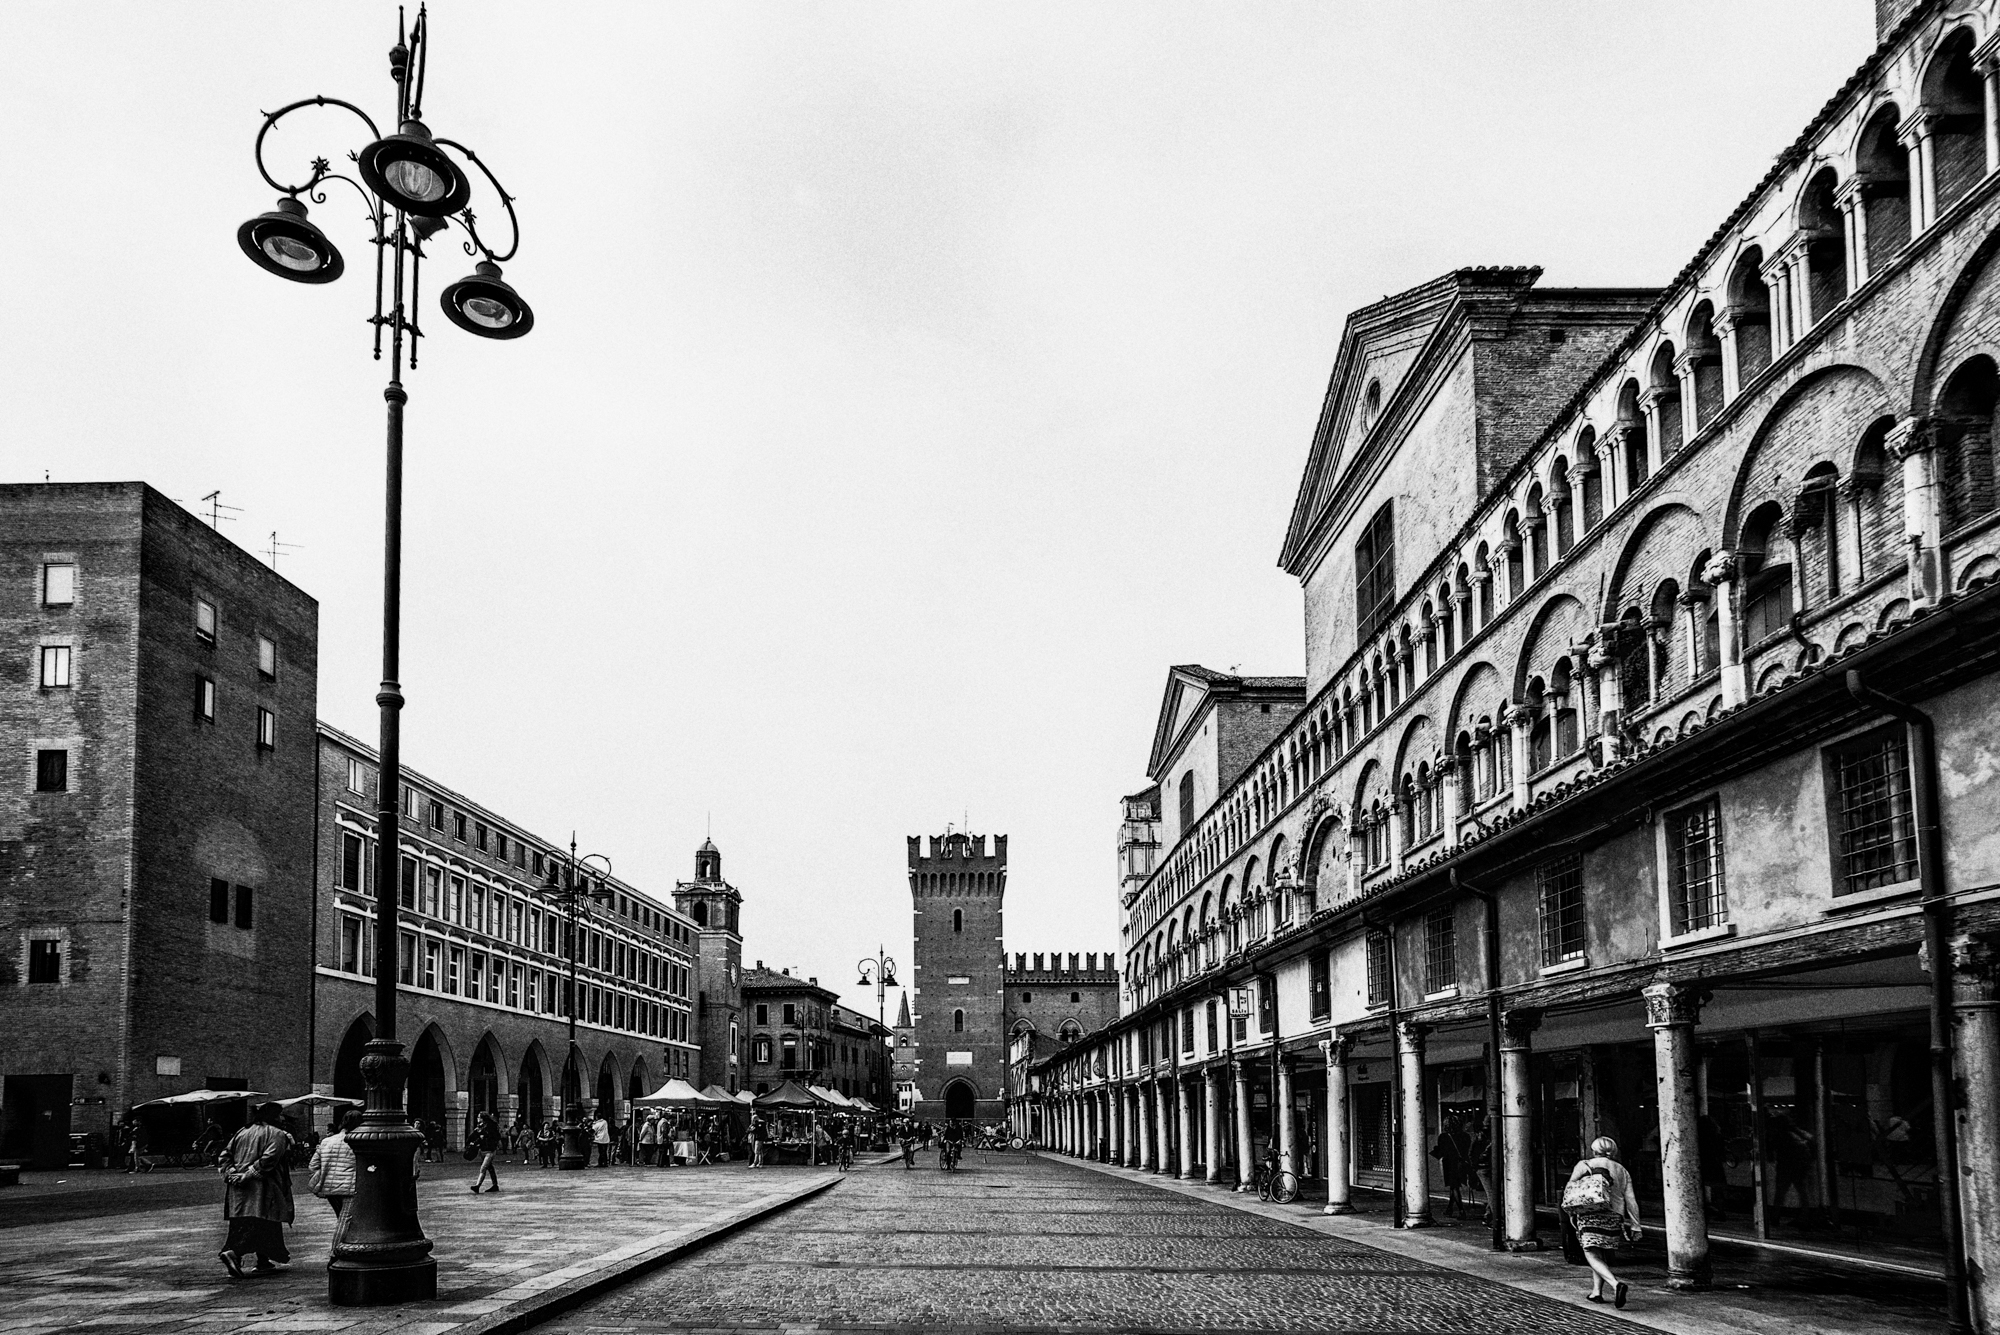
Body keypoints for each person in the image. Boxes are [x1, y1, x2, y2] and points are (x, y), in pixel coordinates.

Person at [218, 1102, 296, 1278]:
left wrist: (232, 1173)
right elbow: (269, 1159)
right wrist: (248, 1174)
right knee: (264, 1222)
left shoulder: (242, 1131)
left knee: (241, 1222)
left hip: (238, 1190)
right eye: (280, 1115)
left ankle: (262, 1261)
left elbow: (224, 1156)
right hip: (263, 1187)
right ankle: (234, 1253)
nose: (282, 1118)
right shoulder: (276, 1134)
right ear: (274, 1116)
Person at [1562, 1136, 1642, 1309]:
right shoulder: (1622, 1170)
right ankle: (1596, 1292)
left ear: (1593, 1150)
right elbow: (1631, 1200)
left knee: (1590, 1252)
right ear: (1613, 1151)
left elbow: (1571, 1190)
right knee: (1600, 1252)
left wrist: (1570, 1212)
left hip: (1591, 1212)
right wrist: (1636, 1225)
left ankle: (1615, 1284)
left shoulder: (1584, 1165)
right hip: (1614, 1216)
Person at [307, 1110, 360, 1253]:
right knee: (345, 1220)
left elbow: (312, 1166)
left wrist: (326, 1173)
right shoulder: (358, 1142)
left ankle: (346, 1249)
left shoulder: (326, 1141)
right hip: (349, 1186)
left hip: (329, 1188)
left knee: (342, 1219)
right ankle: (335, 1253)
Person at [1432, 1115, 1468, 1219]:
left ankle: (1461, 1211)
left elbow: (1442, 1151)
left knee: (1454, 1186)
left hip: (1450, 1163)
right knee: (1454, 1186)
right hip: (1461, 1163)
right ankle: (1449, 1209)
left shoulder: (1443, 1137)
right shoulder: (1465, 1136)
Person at [1467, 1117, 1495, 1225]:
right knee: (1492, 1193)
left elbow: (1471, 1153)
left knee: (1491, 1193)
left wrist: (1474, 1166)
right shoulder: (1494, 1134)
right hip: (1487, 1167)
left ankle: (1488, 1215)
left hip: (1482, 1167)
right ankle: (1495, 1217)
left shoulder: (1480, 1135)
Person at [471, 1111, 501, 1193]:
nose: (477, 1119)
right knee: (490, 1168)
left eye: (479, 1117)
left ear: (482, 1118)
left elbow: (495, 1136)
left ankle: (477, 1186)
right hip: (483, 1149)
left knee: (483, 1168)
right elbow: (476, 1137)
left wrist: (483, 1135)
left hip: (490, 1150)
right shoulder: (480, 1126)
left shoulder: (491, 1126)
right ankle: (495, 1185)